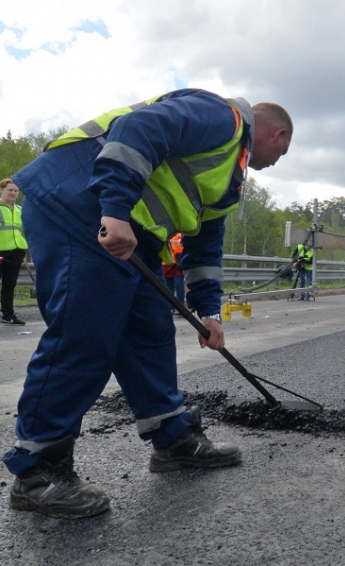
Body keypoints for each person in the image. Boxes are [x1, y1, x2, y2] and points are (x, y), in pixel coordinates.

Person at [3, 88, 293, 519]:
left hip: (134, 235)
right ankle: (38, 469)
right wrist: (116, 208)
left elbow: (205, 249)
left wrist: (209, 314)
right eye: (280, 153)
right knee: (86, 333)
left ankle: (173, 439)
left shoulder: (230, 177)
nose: (274, 163)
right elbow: (138, 128)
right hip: (79, 203)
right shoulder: (222, 117)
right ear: (277, 133)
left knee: (151, 331)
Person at [0, 179, 29, 325]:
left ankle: (8, 315)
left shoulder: (19, 210)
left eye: (16, 191)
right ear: (1, 190)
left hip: (16, 252)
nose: (13, 193)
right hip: (0, 251)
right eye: (10, 190)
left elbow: (23, 231)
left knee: (9, 285)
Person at [163, 233, 186, 313]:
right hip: (167, 262)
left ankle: (180, 307)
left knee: (179, 283)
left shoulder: (182, 233)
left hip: (179, 262)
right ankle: (170, 307)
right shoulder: (166, 231)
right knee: (168, 286)